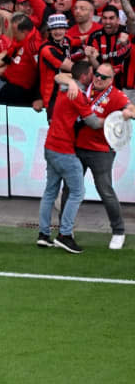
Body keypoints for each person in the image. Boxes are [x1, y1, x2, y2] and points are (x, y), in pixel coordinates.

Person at [59, 62, 135, 249]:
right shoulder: (84, 86)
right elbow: (58, 77)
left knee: (105, 190)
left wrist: (127, 112)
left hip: (101, 151)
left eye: (104, 77)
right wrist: (72, 83)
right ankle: (65, 231)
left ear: (112, 80)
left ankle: (118, 231)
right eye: (97, 74)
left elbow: (132, 108)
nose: (99, 79)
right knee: (69, 188)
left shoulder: (116, 96)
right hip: (77, 147)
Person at [37, 61, 105, 254]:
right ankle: (65, 235)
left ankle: (43, 235)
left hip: (50, 146)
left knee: (50, 191)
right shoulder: (77, 96)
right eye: (92, 74)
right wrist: (113, 120)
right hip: (64, 150)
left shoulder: (65, 88)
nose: (94, 77)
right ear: (84, 77)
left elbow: (59, 76)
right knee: (77, 192)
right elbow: (92, 123)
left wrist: (71, 82)